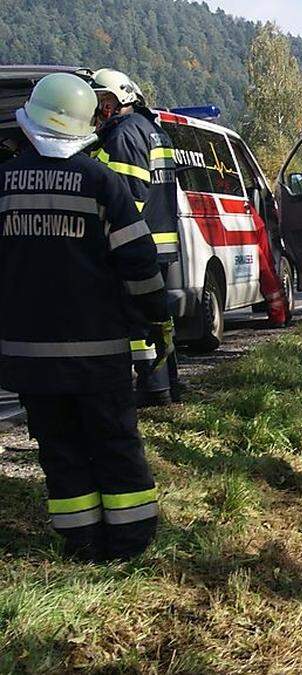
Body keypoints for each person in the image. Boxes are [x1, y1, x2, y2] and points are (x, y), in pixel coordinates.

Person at [0, 73, 169, 561]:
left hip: (28, 355)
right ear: (85, 125)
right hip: (98, 351)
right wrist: (155, 318)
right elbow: (138, 264)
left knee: (59, 447)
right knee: (115, 442)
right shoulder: (101, 183)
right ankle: (130, 542)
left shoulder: (4, 183)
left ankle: (80, 542)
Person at [90, 68, 182, 406]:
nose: (98, 109)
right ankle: (167, 385)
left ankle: (153, 388)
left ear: (119, 100)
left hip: (136, 244)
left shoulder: (124, 135)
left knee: (139, 322)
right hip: (160, 241)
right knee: (158, 318)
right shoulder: (154, 131)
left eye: (103, 101)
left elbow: (126, 199)